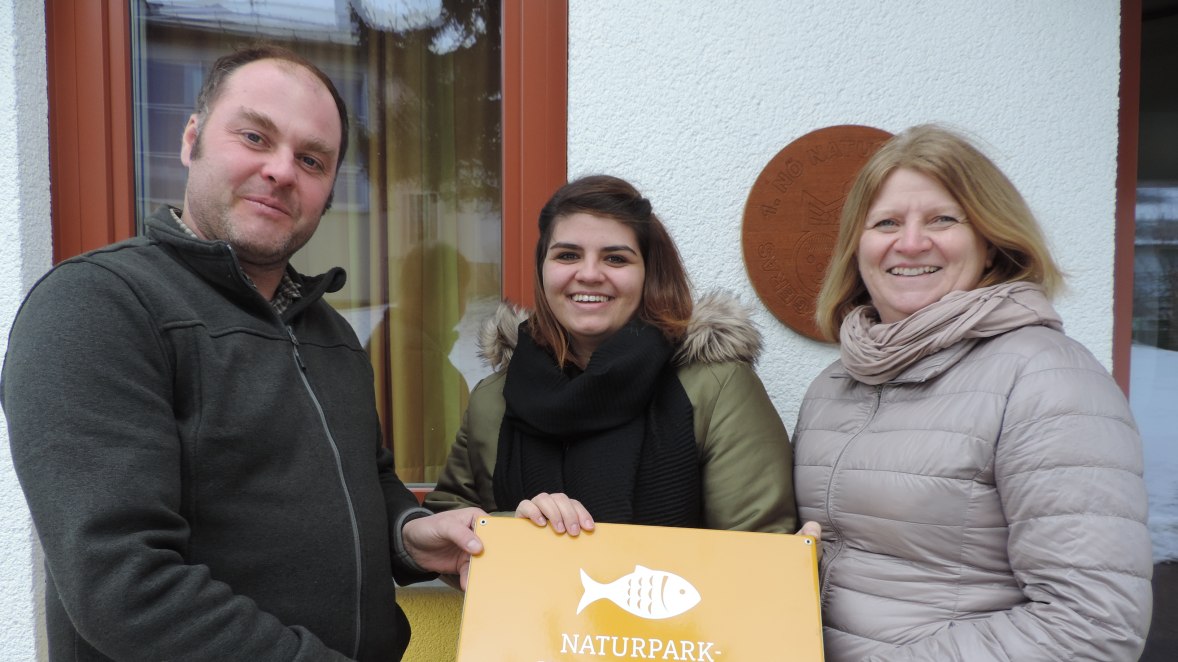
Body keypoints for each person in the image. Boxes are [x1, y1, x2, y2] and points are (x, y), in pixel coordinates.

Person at [1, 45, 485, 662]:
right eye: (255, 136)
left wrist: (413, 535)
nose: (282, 171)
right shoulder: (98, 305)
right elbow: (125, 586)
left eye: (311, 159)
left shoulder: (330, 332)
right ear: (192, 139)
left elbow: (371, 481)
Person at [792, 124, 1152, 660]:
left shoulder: (1045, 377)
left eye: (942, 219)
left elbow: (1092, 623)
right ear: (857, 248)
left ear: (990, 244)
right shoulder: (836, 384)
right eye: (886, 222)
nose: (910, 243)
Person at [424, 174, 796, 538]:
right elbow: (448, 524)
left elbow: (760, 551)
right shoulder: (496, 397)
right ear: (542, 270)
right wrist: (515, 530)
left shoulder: (715, 388)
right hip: (530, 603)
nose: (588, 274)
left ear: (650, 273)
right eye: (567, 255)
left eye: (616, 259)